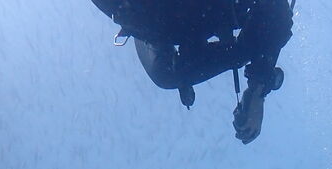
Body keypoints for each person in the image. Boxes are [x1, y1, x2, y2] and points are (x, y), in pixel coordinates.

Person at [91, 0, 293, 144]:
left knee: (169, 72)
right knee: (167, 72)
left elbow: (277, 14)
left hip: (186, 21)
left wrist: (258, 89)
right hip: (164, 24)